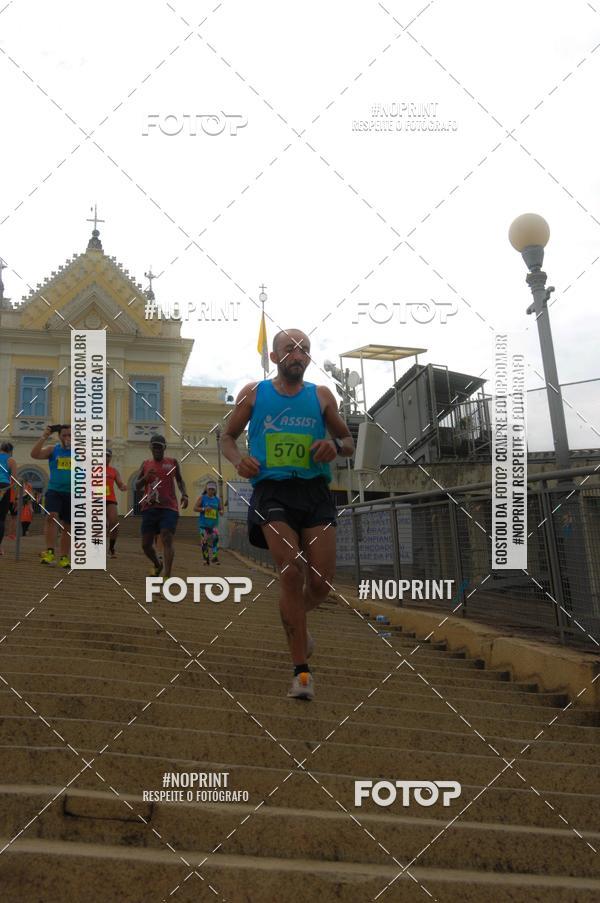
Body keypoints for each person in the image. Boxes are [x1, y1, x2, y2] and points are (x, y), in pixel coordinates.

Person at [220, 328, 354, 700]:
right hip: (272, 490)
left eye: (305, 350)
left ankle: (295, 618)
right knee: (291, 570)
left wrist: (332, 445)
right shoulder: (255, 393)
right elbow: (227, 436)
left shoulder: (322, 396)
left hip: (314, 493)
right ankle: (301, 672)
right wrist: (238, 461)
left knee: (321, 582)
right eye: (290, 349)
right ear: (276, 357)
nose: (298, 354)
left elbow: (347, 441)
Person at [134, 435, 188, 579]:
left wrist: (185, 494)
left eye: (160, 446)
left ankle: (167, 576)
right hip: (149, 508)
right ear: (150, 448)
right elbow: (137, 485)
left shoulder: (172, 463)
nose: (157, 449)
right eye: (155, 446)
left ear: (164, 448)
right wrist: (145, 478)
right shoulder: (145, 464)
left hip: (169, 507)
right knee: (146, 545)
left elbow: (180, 481)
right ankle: (158, 565)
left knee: (166, 536)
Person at [31, 425, 71, 567]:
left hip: (73, 493)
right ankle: (49, 552)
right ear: (59, 436)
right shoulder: (53, 449)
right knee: (51, 516)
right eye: (64, 435)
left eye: (70, 435)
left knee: (69, 525)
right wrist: (44, 436)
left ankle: (64, 557)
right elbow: (34, 454)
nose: (67, 438)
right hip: (55, 490)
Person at [194, 481, 224, 566]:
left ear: (215, 490)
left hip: (214, 524)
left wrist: (221, 511)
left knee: (215, 539)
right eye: (209, 489)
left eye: (212, 489)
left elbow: (220, 509)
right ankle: (205, 559)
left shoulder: (217, 499)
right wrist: (204, 509)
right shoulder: (202, 498)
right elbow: (195, 508)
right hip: (204, 525)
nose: (211, 491)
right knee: (204, 542)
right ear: (206, 489)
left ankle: (214, 557)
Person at [105, 449, 127, 557]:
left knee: (114, 523)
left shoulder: (113, 471)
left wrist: (123, 486)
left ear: (110, 458)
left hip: (110, 500)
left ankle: (111, 548)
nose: (105, 457)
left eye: (108, 456)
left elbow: (120, 483)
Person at [0, 442, 17, 556]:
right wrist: (14, 498)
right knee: (1, 519)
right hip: (4, 487)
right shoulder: (11, 460)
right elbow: (14, 480)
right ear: (11, 451)